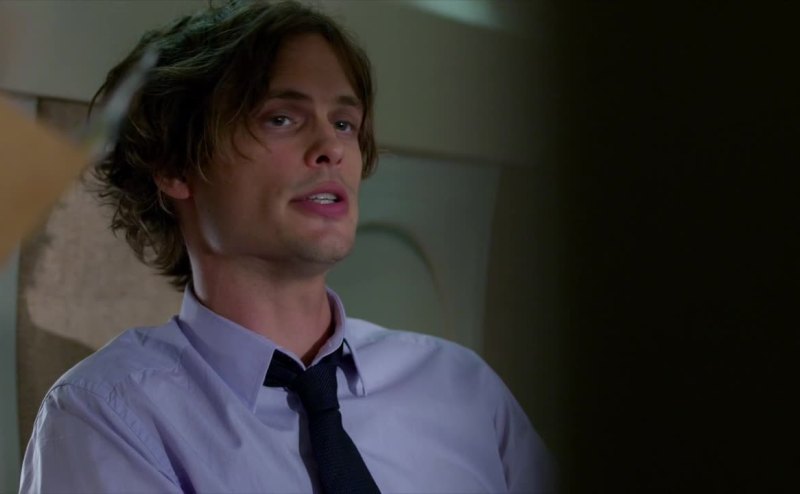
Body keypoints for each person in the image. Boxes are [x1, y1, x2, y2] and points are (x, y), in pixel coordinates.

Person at [19, 1, 553, 492]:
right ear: (176, 166)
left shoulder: (462, 389)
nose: (331, 148)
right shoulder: (108, 415)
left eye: (343, 123)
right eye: (281, 119)